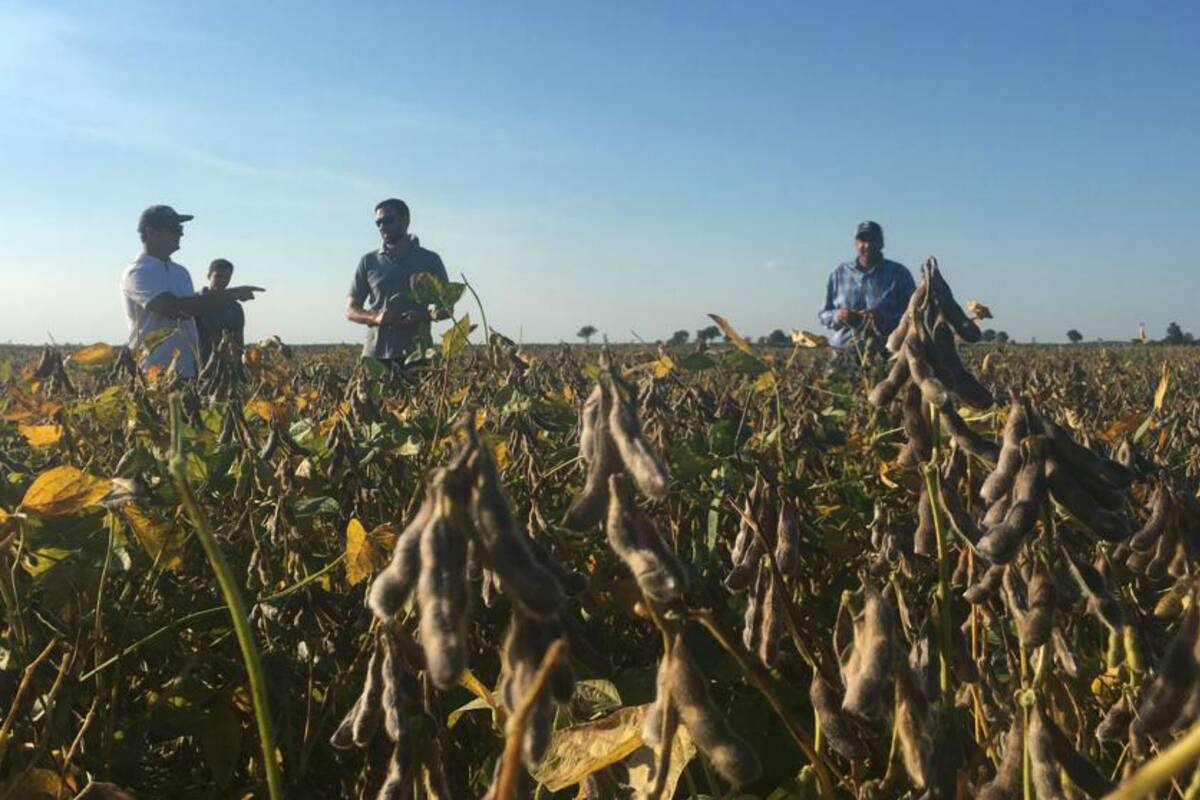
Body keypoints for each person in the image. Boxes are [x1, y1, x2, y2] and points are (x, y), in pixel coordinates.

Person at [120, 206, 264, 378]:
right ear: (152, 233)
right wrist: (230, 294)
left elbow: (193, 312)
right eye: (174, 229)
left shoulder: (181, 272)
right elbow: (175, 309)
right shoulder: (137, 272)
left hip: (187, 370)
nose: (180, 234)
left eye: (180, 229)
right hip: (153, 373)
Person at [345, 198, 449, 366]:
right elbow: (350, 310)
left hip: (417, 357)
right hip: (375, 357)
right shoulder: (368, 261)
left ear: (406, 220)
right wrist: (375, 317)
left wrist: (422, 316)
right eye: (378, 223)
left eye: (388, 220)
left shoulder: (430, 260)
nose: (382, 226)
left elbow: (447, 308)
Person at [818, 221, 915, 353]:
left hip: (885, 351)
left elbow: (914, 316)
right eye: (863, 240)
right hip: (842, 349)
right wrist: (839, 316)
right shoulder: (838, 273)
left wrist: (882, 319)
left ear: (882, 243)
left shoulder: (899, 274)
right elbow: (824, 314)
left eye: (873, 240)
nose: (867, 245)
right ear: (855, 244)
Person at [195, 258, 246, 365]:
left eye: (226, 278)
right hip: (197, 361)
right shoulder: (195, 301)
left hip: (225, 363)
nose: (222, 281)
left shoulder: (234, 307)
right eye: (218, 277)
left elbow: (239, 340)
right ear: (209, 275)